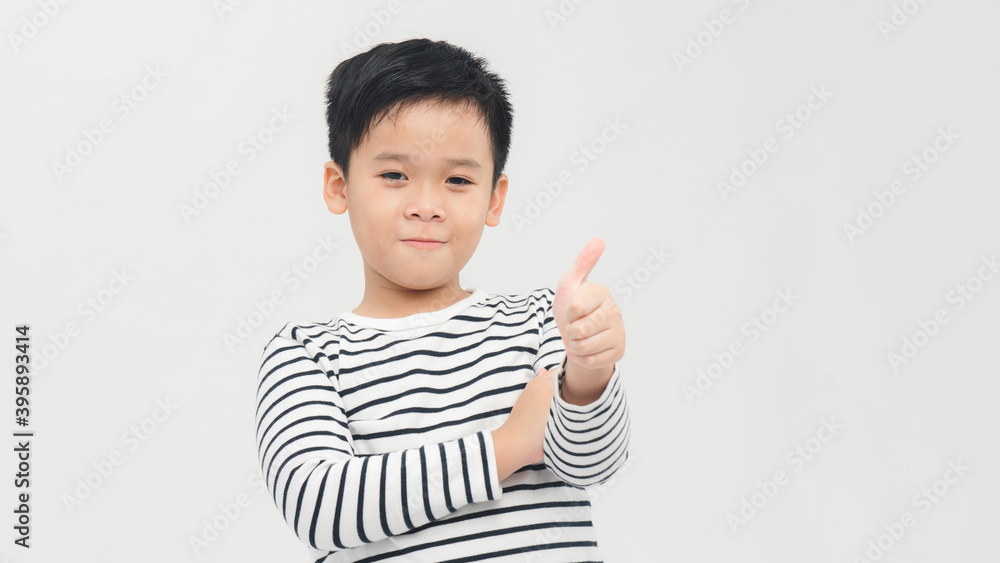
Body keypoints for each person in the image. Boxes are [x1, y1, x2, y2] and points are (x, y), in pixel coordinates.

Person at [254, 37, 631, 562]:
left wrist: (590, 373)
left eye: (457, 179)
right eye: (394, 176)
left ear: (494, 198)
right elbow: (320, 509)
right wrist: (509, 445)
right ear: (339, 186)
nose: (426, 206)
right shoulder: (307, 354)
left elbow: (594, 464)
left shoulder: (539, 323)